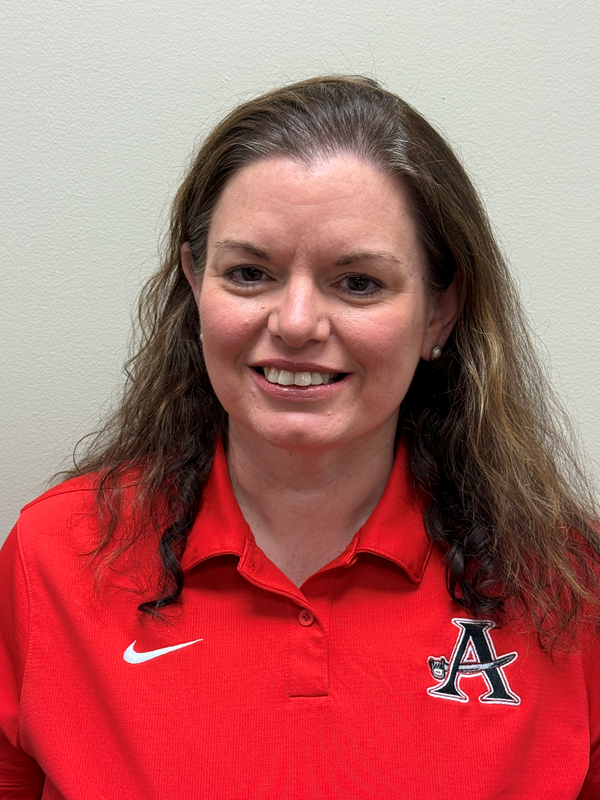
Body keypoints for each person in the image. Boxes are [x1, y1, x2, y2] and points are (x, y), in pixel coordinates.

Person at [1, 75, 599, 799]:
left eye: (358, 282)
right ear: (195, 283)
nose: (295, 323)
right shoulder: (53, 560)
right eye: (250, 273)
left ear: (440, 313)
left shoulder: (570, 587)